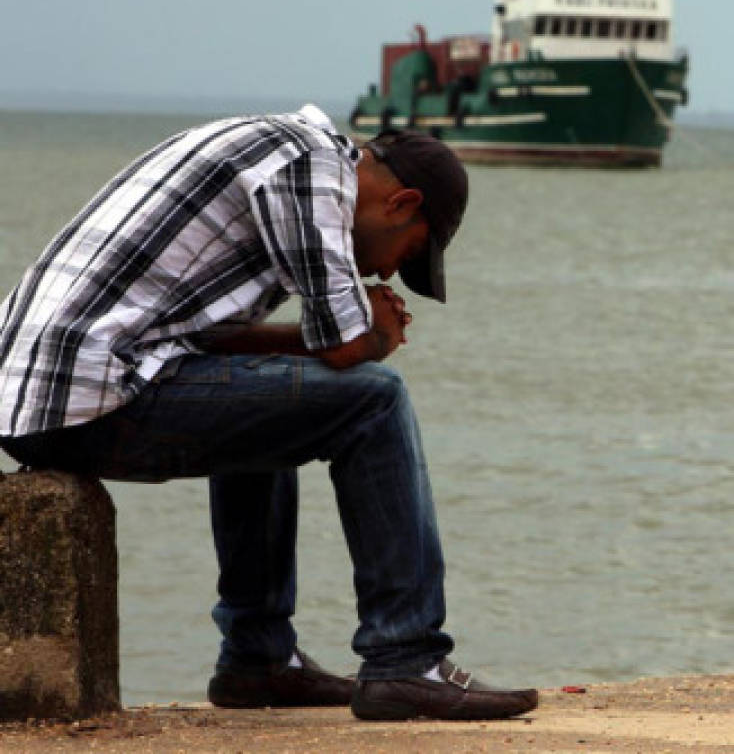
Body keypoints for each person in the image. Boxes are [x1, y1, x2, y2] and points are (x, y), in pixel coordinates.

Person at [0, 104, 538, 721]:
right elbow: (344, 350)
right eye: (406, 255)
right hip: (88, 395)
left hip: (48, 396)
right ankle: (404, 658)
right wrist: (380, 335)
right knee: (376, 398)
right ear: (400, 202)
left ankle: (257, 662)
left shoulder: (280, 153)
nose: (385, 271)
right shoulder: (309, 169)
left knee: (274, 401)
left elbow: (206, 340)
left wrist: (328, 342)